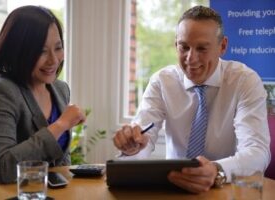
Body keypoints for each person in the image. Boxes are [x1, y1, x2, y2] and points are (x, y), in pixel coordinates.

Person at [113, 5, 270, 193]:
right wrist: (133, 148)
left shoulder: (245, 81)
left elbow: (257, 152)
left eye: (202, 48)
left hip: (225, 189)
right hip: (173, 188)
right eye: (184, 47)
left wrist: (217, 170)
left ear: (222, 46)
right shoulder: (162, 81)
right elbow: (143, 138)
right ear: (175, 44)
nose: (191, 58)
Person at [0, 5, 86, 183]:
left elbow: (60, 163)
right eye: (41, 51)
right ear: (18, 51)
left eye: (58, 48)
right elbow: (1, 169)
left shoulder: (60, 89)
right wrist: (60, 125)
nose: (53, 60)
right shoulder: (0, 93)